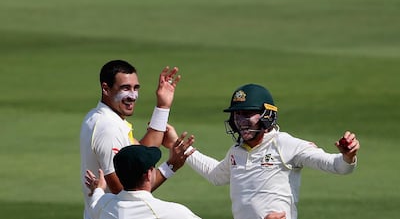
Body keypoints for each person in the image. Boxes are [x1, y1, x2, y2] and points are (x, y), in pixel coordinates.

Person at [182, 83, 360, 219]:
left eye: (247, 113)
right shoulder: (237, 151)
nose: (240, 120)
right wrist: (182, 147)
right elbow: (216, 175)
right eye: (237, 114)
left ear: (267, 115)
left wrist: (348, 156)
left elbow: (339, 167)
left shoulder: (285, 144)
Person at [80, 60, 184, 219]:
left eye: (136, 88)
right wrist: (170, 166)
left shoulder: (105, 119)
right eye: (125, 88)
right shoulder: (108, 129)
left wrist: (163, 106)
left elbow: (141, 155)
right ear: (106, 88)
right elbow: (127, 191)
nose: (132, 96)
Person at [84, 143, 201, 219]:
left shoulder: (103, 205)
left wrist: (98, 189)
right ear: (149, 174)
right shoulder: (173, 212)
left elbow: (96, 200)